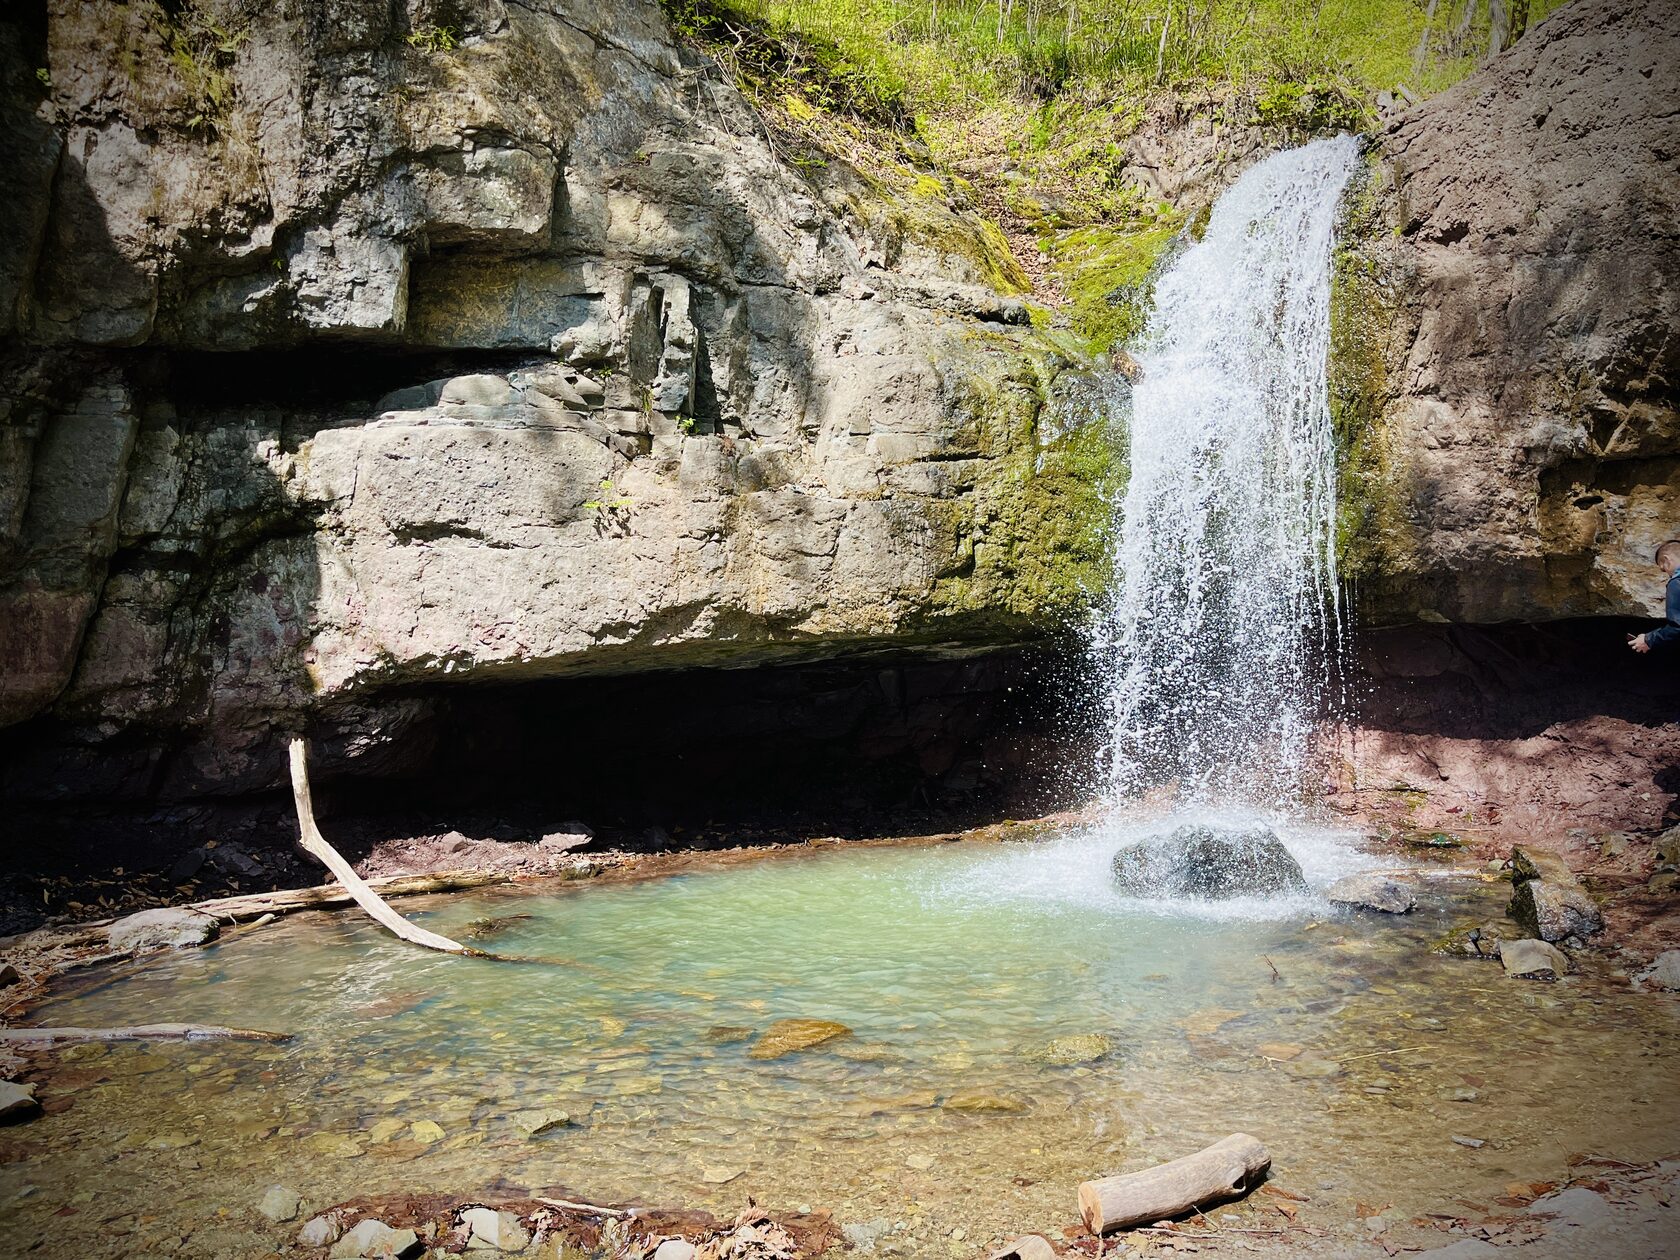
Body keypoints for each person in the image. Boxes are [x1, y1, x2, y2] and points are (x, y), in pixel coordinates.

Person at [1629, 539, 1680, 654]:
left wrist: (1648, 639)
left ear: (1667, 560)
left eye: (1663, 569)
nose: (1667, 574)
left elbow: (1678, 626)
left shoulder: (1677, 583)